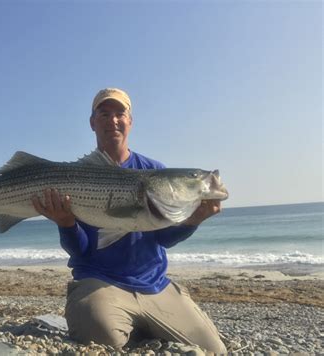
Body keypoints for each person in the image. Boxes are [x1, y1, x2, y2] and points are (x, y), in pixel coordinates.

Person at [32, 88, 227, 353]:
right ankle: (115, 318)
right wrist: (66, 223)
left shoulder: (153, 171)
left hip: (153, 285)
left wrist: (192, 221)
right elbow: (83, 251)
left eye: (120, 113)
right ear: (92, 122)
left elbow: (162, 238)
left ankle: (143, 321)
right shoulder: (80, 175)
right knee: (101, 340)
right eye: (104, 113)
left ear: (130, 121)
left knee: (214, 350)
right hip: (99, 282)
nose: (113, 120)